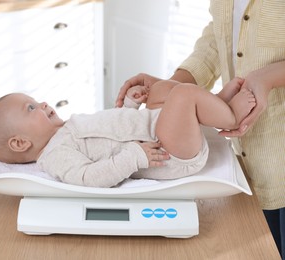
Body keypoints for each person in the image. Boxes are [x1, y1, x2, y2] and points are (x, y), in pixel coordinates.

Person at [115, 1, 285, 257]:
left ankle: (225, 110)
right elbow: (219, 37)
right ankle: (222, 108)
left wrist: (269, 77)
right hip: (247, 161)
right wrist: (170, 89)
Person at [0, 78, 255, 188]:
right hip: (167, 153)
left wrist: (132, 105)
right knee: (182, 94)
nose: (43, 104)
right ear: (20, 142)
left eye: (36, 101)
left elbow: (111, 129)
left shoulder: (64, 130)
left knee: (160, 89)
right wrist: (134, 157)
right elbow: (89, 177)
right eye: (31, 108)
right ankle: (230, 115)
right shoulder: (54, 156)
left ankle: (212, 103)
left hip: (153, 129)